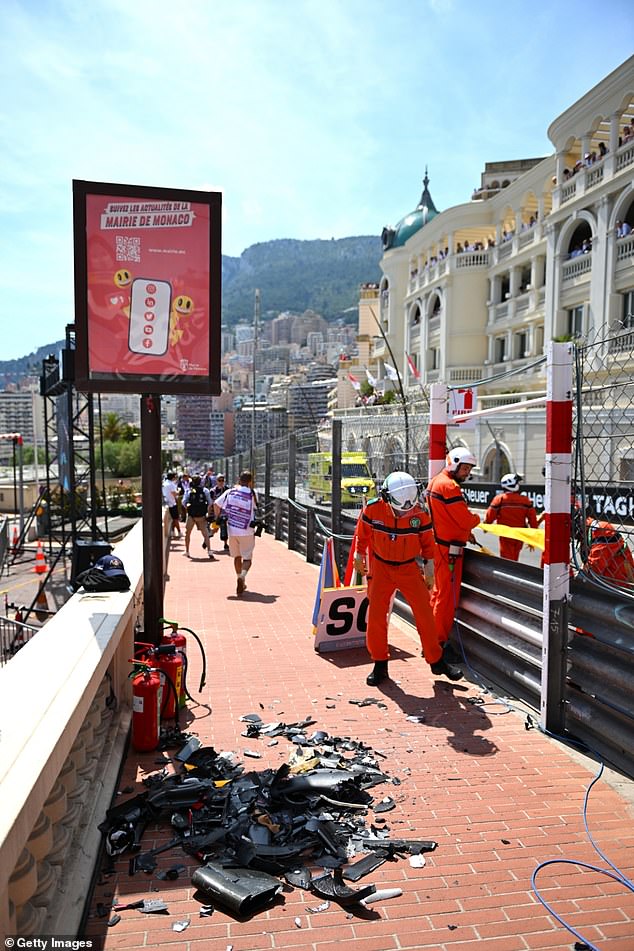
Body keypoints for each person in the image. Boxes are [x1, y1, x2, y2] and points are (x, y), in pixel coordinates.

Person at [353, 471, 463, 686]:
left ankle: (436, 660)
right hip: (381, 568)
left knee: (425, 615)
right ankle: (379, 664)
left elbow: (427, 542)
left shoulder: (419, 512)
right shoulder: (373, 508)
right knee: (376, 617)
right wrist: (359, 554)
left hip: (408, 569)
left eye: (408, 510)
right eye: (399, 511)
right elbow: (362, 532)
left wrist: (429, 568)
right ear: (386, 497)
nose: (405, 514)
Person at [427, 448, 480, 652]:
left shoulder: (437, 481)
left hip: (440, 545)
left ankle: (431, 638)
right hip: (448, 550)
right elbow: (465, 519)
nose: (467, 472)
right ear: (454, 463)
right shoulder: (449, 487)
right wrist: (475, 520)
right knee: (446, 599)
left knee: (438, 594)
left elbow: (447, 518)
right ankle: (438, 643)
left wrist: (464, 532)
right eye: (465, 468)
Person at [214, 470, 259, 595]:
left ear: (239, 479)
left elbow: (216, 504)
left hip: (232, 530)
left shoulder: (230, 492)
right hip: (247, 531)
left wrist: (218, 519)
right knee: (247, 559)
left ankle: (239, 576)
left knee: (236, 557)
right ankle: (242, 577)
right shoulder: (252, 493)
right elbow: (256, 509)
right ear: (250, 481)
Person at [484, 473, 538, 561]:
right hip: (520, 534)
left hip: (505, 534)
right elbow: (533, 520)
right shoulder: (525, 500)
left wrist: (485, 526)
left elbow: (490, 516)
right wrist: (532, 537)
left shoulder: (499, 499)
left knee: (507, 560)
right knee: (515, 558)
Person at [582, 512, 634, 585]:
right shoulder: (585, 533)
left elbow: (594, 568)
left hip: (622, 584)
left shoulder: (602, 529)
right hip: (606, 583)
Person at [184, 475, 216, 560]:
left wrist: (190, 509)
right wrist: (207, 513)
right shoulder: (205, 490)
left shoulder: (189, 491)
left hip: (191, 516)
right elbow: (210, 503)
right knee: (205, 534)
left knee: (187, 533)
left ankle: (187, 551)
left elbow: (184, 503)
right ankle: (209, 551)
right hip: (202, 515)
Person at [162, 471, 181, 537]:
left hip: (167, 502)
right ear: (173, 477)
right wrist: (179, 491)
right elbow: (174, 494)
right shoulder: (171, 484)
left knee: (173, 519)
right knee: (175, 518)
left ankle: (172, 532)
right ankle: (179, 532)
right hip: (172, 503)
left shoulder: (165, 483)